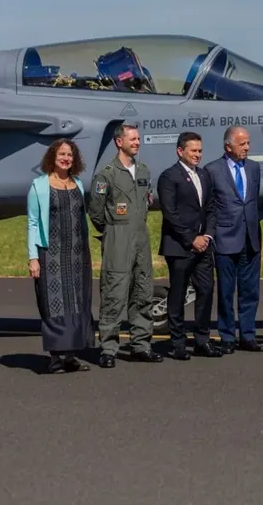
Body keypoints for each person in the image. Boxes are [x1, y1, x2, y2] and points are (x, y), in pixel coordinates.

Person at [87, 124, 164, 367]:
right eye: (133, 139)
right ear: (119, 142)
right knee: (114, 293)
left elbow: (146, 201)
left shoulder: (143, 171)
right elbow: (96, 211)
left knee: (143, 292)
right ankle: (108, 348)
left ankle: (141, 345)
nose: (138, 142)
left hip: (141, 238)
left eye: (139, 138)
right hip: (117, 238)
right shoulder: (106, 174)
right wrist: (111, 231)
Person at [26, 138, 95, 373]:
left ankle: (71, 356)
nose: (66, 159)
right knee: (53, 304)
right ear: (52, 158)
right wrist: (33, 257)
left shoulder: (77, 183)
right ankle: (55, 358)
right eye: (62, 155)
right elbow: (33, 223)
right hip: (51, 253)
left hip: (77, 253)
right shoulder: (39, 186)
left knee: (77, 302)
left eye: (70, 155)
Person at [156, 131, 221, 360]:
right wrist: (191, 238)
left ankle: (202, 339)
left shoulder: (204, 176)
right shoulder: (169, 177)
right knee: (178, 294)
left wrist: (207, 236)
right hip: (180, 246)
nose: (197, 155)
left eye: (200, 151)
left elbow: (211, 209)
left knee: (206, 290)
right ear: (180, 151)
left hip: (204, 246)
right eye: (193, 151)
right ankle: (178, 343)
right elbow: (170, 213)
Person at [204, 125, 263, 353]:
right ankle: (227, 336)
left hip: (250, 238)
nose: (247, 148)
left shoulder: (254, 168)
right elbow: (209, 206)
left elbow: (253, 201)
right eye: (242, 144)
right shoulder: (212, 170)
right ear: (228, 146)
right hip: (225, 239)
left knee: (250, 291)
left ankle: (248, 335)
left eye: (248, 143)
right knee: (226, 292)